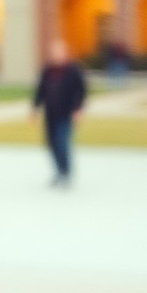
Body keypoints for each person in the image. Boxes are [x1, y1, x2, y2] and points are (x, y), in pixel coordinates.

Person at [32, 40, 87, 187]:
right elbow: (40, 90)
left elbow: (81, 91)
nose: (56, 55)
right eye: (54, 52)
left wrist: (78, 109)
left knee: (61, 142)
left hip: (66, 113)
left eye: (59, 52)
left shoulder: (73, 71)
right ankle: (58, 171)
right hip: (50, 114)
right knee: (51, 144)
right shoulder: (48, 70)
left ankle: (66, 171)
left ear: (65, 53)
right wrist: (35, 109)